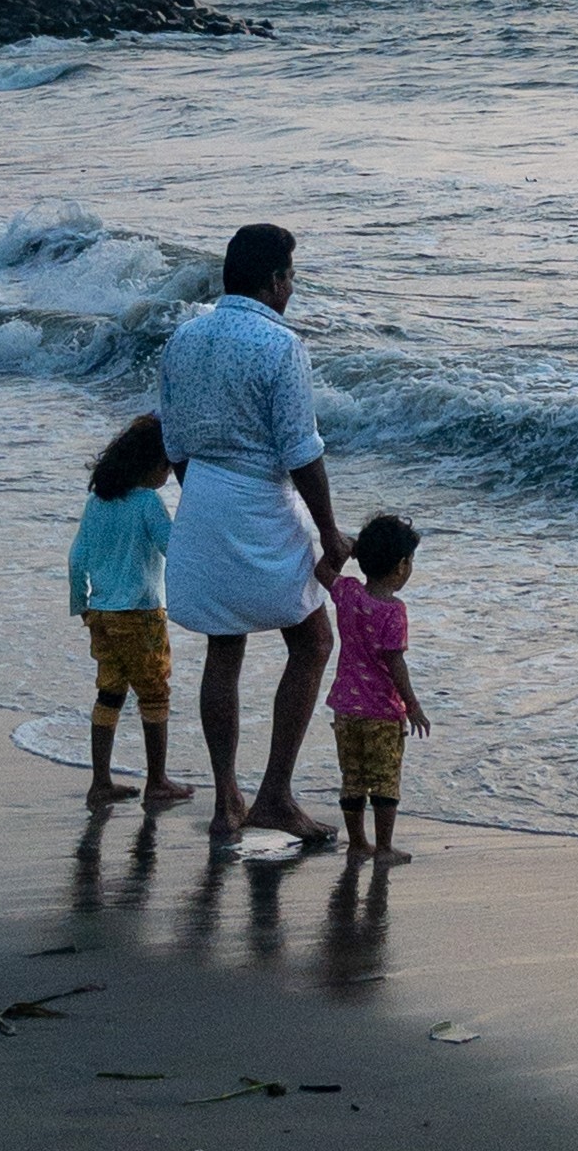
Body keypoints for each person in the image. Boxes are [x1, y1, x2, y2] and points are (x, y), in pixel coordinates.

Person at [158, 223, 353, 843]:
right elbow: (302, 450)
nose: (292, 288)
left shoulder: (184, 339)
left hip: (203, 498)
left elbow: (174, 443)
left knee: (225, 647)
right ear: (275, 281)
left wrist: (204, 500)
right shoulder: (280, 344)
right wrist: (329, 531)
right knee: (313, 641)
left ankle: (227, 802)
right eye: (291, 276)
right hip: (260, 502)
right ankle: (274, 795)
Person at [66, 415, 194, 810]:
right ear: (151, 466)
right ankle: (157, 780)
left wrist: (81, 606)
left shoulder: (96, 502)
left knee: (109, 694)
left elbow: (76, 560)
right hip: (140, 614)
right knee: (155, 695)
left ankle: (100, 782)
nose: (169, 473)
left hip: (101, 614)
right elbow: (174, 548)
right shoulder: (147, 503)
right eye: (167, 466)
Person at [328, 512, 430, 861]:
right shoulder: (393, 611)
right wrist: (412, 705)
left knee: (352, 777)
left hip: (345, 708)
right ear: (401, 566)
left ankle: (358, 844)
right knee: (384, 780)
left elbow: (321, 572)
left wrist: (348, 550)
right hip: (382, 712)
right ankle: (383, 847)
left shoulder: (349, 592)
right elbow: (394, 663)